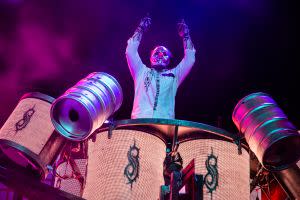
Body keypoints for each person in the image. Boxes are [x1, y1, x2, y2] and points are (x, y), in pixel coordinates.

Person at [125, 15, 196, 119]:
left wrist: (186, 35)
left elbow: (190, 58)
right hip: (140, 122)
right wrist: (140, 29)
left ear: (169, 60)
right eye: (157, 52)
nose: (160, 55)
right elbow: (130, 51)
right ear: (150, 58)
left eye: (164, 53)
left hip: (164, 125)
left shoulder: (174, 75)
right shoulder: (141, 71)